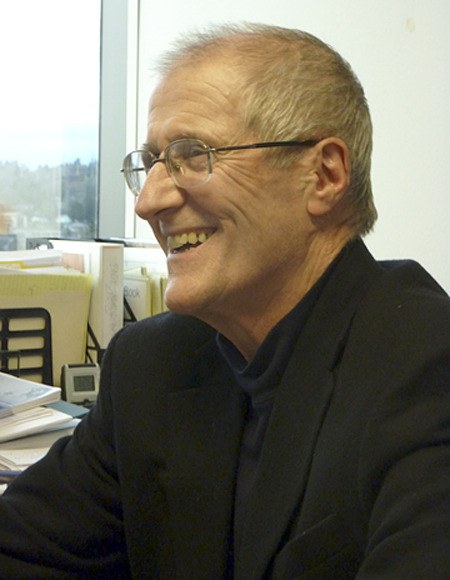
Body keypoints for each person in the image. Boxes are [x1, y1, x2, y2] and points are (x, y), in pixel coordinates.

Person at [1, 22, 450, 579]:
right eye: (149, 163)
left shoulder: (428, 369)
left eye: (192, 155)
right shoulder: (149, 365)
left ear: (323, 176)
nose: (148, 202)